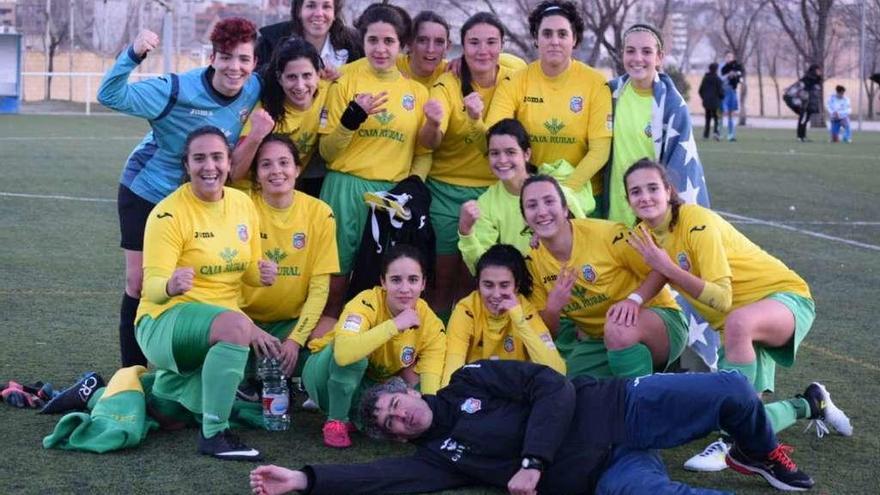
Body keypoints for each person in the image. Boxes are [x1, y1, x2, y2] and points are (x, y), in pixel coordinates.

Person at [249, 360, 816, 494]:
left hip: (619, 406)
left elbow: (553, 385)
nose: (401, 415)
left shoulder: (468, 380)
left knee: (734, 390)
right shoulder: (435, 458)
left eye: (397, 403)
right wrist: (304, 479)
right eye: (392, 423)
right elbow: (379, 478)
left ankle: (757, 452)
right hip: (604, 469)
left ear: (409, 387)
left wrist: (532, 462)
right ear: (399, 434)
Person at [623, 159, 853, 471]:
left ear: (669, 191)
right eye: (635, 192)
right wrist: (634, 299)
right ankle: (811, 404)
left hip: (781, 298)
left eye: (653, 188)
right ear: (627, 200)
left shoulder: (696, 221)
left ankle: (731, 445)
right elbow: (659, 272)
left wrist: (666, 266)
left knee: (735, 384)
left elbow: (721, 297)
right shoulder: (646, 233)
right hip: (736, 327)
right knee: (749, 420)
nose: (645, 197)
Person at [97, 19, 262, 369]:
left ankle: (191, 365)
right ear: (212, 58)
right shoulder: (175, 90)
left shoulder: (253, 87)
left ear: (255, 63)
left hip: (201, 200)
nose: (235, 68)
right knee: (140, 281)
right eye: (227, 58)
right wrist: (134, 53)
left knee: (198, 280)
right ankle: (134, 373)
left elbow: (294, 78)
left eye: (244, 60)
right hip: (148, 191)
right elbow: (109, 94)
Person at [135, 127, 281, 461]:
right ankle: (215, 434)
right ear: (186, 165)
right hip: (163, 321)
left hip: (215, 322)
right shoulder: (167, 214)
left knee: (169, 419)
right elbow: (151, 289)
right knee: (237, 328)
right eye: (199, 158)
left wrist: (263, 274)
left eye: (217, 157)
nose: (209, 166)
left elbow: (249, 272)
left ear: (230, 163)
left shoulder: (243, 204)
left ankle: (143, 396)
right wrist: (170, 285)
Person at [316, 3, 431, 335]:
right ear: (362, 41)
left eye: (389, 41)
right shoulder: (344, 80)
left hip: (389, 198)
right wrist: (353, 117)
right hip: (345, 188)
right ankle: (321, 355)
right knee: (334, 282)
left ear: (402, 45)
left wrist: (412, 188)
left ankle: (378, 359)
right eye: (373, 40)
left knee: (384, 283)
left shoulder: (416, 93)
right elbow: (327, 151)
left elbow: (423, 152)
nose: (381, 49)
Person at [521, 175, 687, 380]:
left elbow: (661, 269)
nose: (542, 211)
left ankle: (642, 402)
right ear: (524, 217)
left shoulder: (607, 234)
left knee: (618, 328)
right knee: (563, 381)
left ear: (565, 209)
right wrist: (553, 309)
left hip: (660, 320)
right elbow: (547, 335)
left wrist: (634, 300)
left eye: (549, 201)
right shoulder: (532, 262)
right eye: (532, 205)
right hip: (601, 340)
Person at [418, 12, 522, 319]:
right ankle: (436, 343)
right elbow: (430, 141)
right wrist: (434, 123)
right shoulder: (447, 83)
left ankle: (471, 347)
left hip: (493, 191)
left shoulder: (515, 72)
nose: (482, 51)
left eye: (491, 43)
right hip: (446, 190)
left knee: (476, 279)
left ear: (503, 45)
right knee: (442, 280)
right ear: (462, 47)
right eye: (473, 43)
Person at [300, 244, 446, 448]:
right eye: (396, 280)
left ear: (423, 284)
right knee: (356, 358)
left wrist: (432, 419)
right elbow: (343, 354)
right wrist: (395, 325)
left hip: (371, 390)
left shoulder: (431, 323)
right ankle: (336, 421)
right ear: (383, 282)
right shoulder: (366, 303)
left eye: (413, 280)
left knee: (422, 380)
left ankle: (357, 418)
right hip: (323, 376)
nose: (405, 289)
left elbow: (431, 381)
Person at [485, 0, 612, 215]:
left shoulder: (596, 83)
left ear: (575, 40)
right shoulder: (516, 81)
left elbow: (600, 151)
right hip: (531, 196)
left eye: (562, 34)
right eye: (547, 34)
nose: (554, 41)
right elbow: (494, 133)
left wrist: (565, 192)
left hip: (583, 196)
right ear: (536, 38)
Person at [235, 135, 339, 386]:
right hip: (242, 321)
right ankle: (249, 375)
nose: (276, 171)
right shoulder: (241, 209)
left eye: (284, 163)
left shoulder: (320, 213)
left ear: (297, 169)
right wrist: (249, 329)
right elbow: (224, 283)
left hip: (290, 324)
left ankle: (302, 377)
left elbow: (319, 287)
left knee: (335, 331)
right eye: (266, 164)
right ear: (257, 174)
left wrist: (295, 339)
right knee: (220, 339)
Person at [605, 23, 709, 226]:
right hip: (613, 214)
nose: (637, 58)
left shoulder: (672, 105)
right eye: (630, 51)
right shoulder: (610, 94)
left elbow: (678, 169)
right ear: (622, 54)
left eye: (646, 51)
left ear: (659, 57)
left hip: (651, 215)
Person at [457, 119, 586, 274]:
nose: (502, 160)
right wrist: (466, 232)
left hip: (567, 279)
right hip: (522, 287)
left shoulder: (557, 191)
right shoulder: (486, 203)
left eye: (510, 152)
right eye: (494, 153)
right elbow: (483, 268)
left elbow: (586, 240)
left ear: (527, 154)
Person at [442, 244, 565, 386]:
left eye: (504, 285)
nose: (496, 294)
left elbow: (557, 371)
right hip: (477, 390)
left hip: (517, 391)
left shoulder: (525, 310)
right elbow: (452, 366)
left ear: (516, 286)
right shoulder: (466, 310)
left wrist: (518, 319)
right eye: (488, 285)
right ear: (478, 284)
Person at [232, 37, 328, 197]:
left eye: (307, 76)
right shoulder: (267, 112)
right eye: (291, 77)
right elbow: (235, 174)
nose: (300, 85)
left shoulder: (328, 91)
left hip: (282, 195)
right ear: (279, 78)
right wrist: (256, 135)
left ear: (318, 75)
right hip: (247, 195)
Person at [254, 0, 362, 76]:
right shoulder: (270, 44)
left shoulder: (354, 47)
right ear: (298, 11)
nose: (319, 14)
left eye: (326, 6)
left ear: (334, 13)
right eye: (311, 5)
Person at [720, 51, 744, 142]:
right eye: (727, 57)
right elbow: (720, 79)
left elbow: (740, 76)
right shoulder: (723, 68)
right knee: (721, 113)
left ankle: (731, 135)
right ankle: (719, 134)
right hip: (724, 92)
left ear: (733, 57)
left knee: (731, 114)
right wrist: (728, 75)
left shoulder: (737, 66)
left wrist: (737, 75)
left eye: (730, 57)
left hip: (732, 92)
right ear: (725, 58)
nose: (729, 58)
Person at [796, 64, 823, 142]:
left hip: (811, 103)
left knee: (805, 120)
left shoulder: (816, 79)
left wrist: (818, 77)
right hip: (805, 103)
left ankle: (803, 136)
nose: (819, 71)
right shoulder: (807, 78)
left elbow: (818, 84)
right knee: (803, 119)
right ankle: (800, 136)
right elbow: (805, 88)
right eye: (818, 70)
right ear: (814, 70)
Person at [699, 62, 724, 140]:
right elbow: (721, 92)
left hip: (707, 103)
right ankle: (716, 133)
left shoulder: (705, 78)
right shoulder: (718, 79)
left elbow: (700, 90)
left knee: (707, 119)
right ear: (716, 69)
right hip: (716, 103)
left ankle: (706, 135)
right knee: (717, 118)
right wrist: (721, 97)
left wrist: (704, 98)